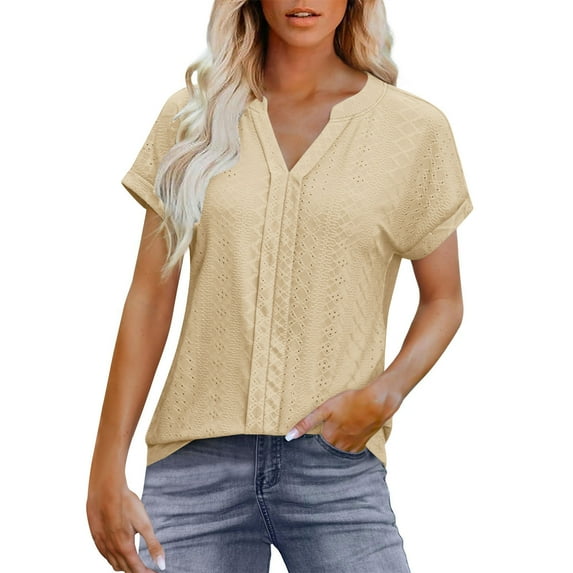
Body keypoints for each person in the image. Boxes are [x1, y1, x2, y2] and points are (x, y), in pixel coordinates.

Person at [87, 0, 473, 571]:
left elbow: (444, 299)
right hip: (195, 467)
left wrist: (385, 394)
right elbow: (149, 298)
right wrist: (106, 465)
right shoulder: (191, 119)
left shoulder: (413, 130)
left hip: (336, 464)